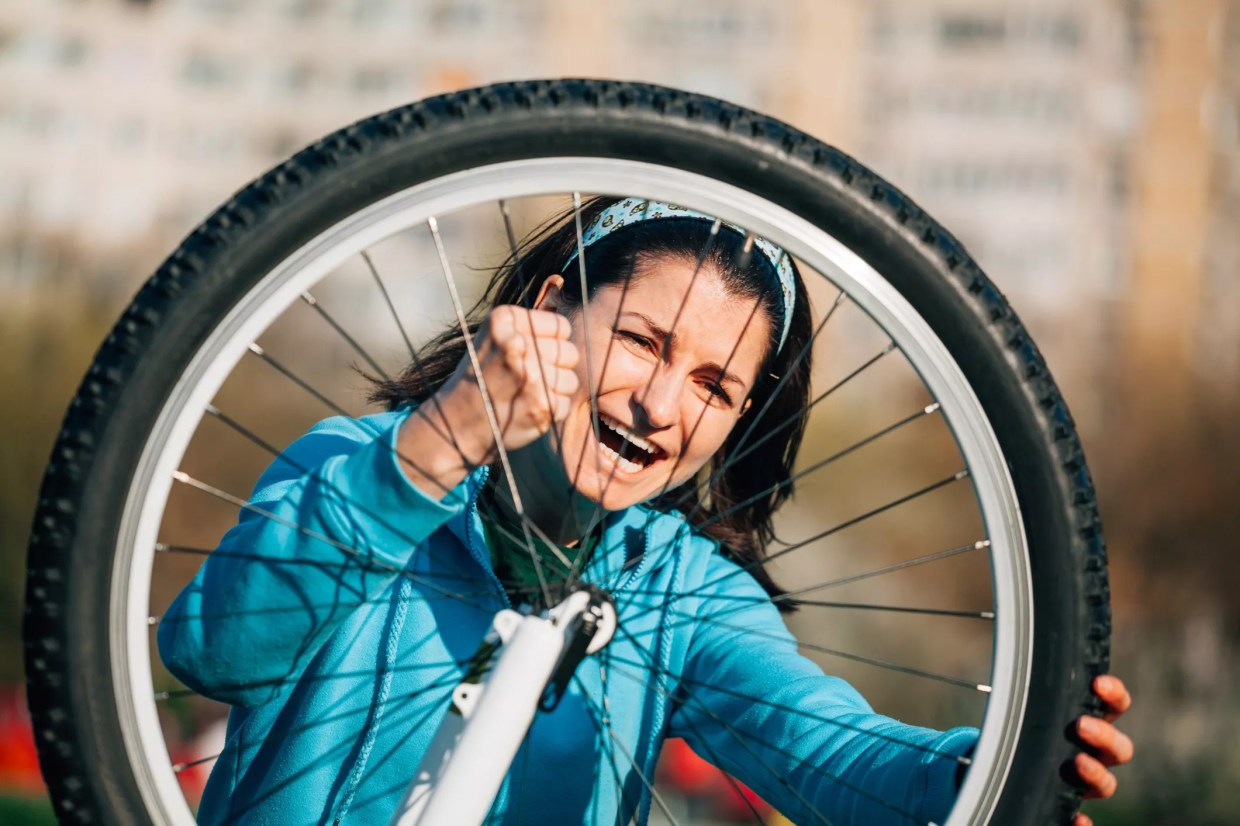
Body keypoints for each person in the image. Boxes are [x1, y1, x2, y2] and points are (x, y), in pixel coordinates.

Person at [158, 197, 1132, 825]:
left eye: (712, 385)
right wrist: (439, 442)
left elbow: (820, 744)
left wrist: (993, 762)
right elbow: (212, 649)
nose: (659, 407)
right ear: (548, 306)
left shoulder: (686, 594)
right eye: (641, 341)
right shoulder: (361, 466)